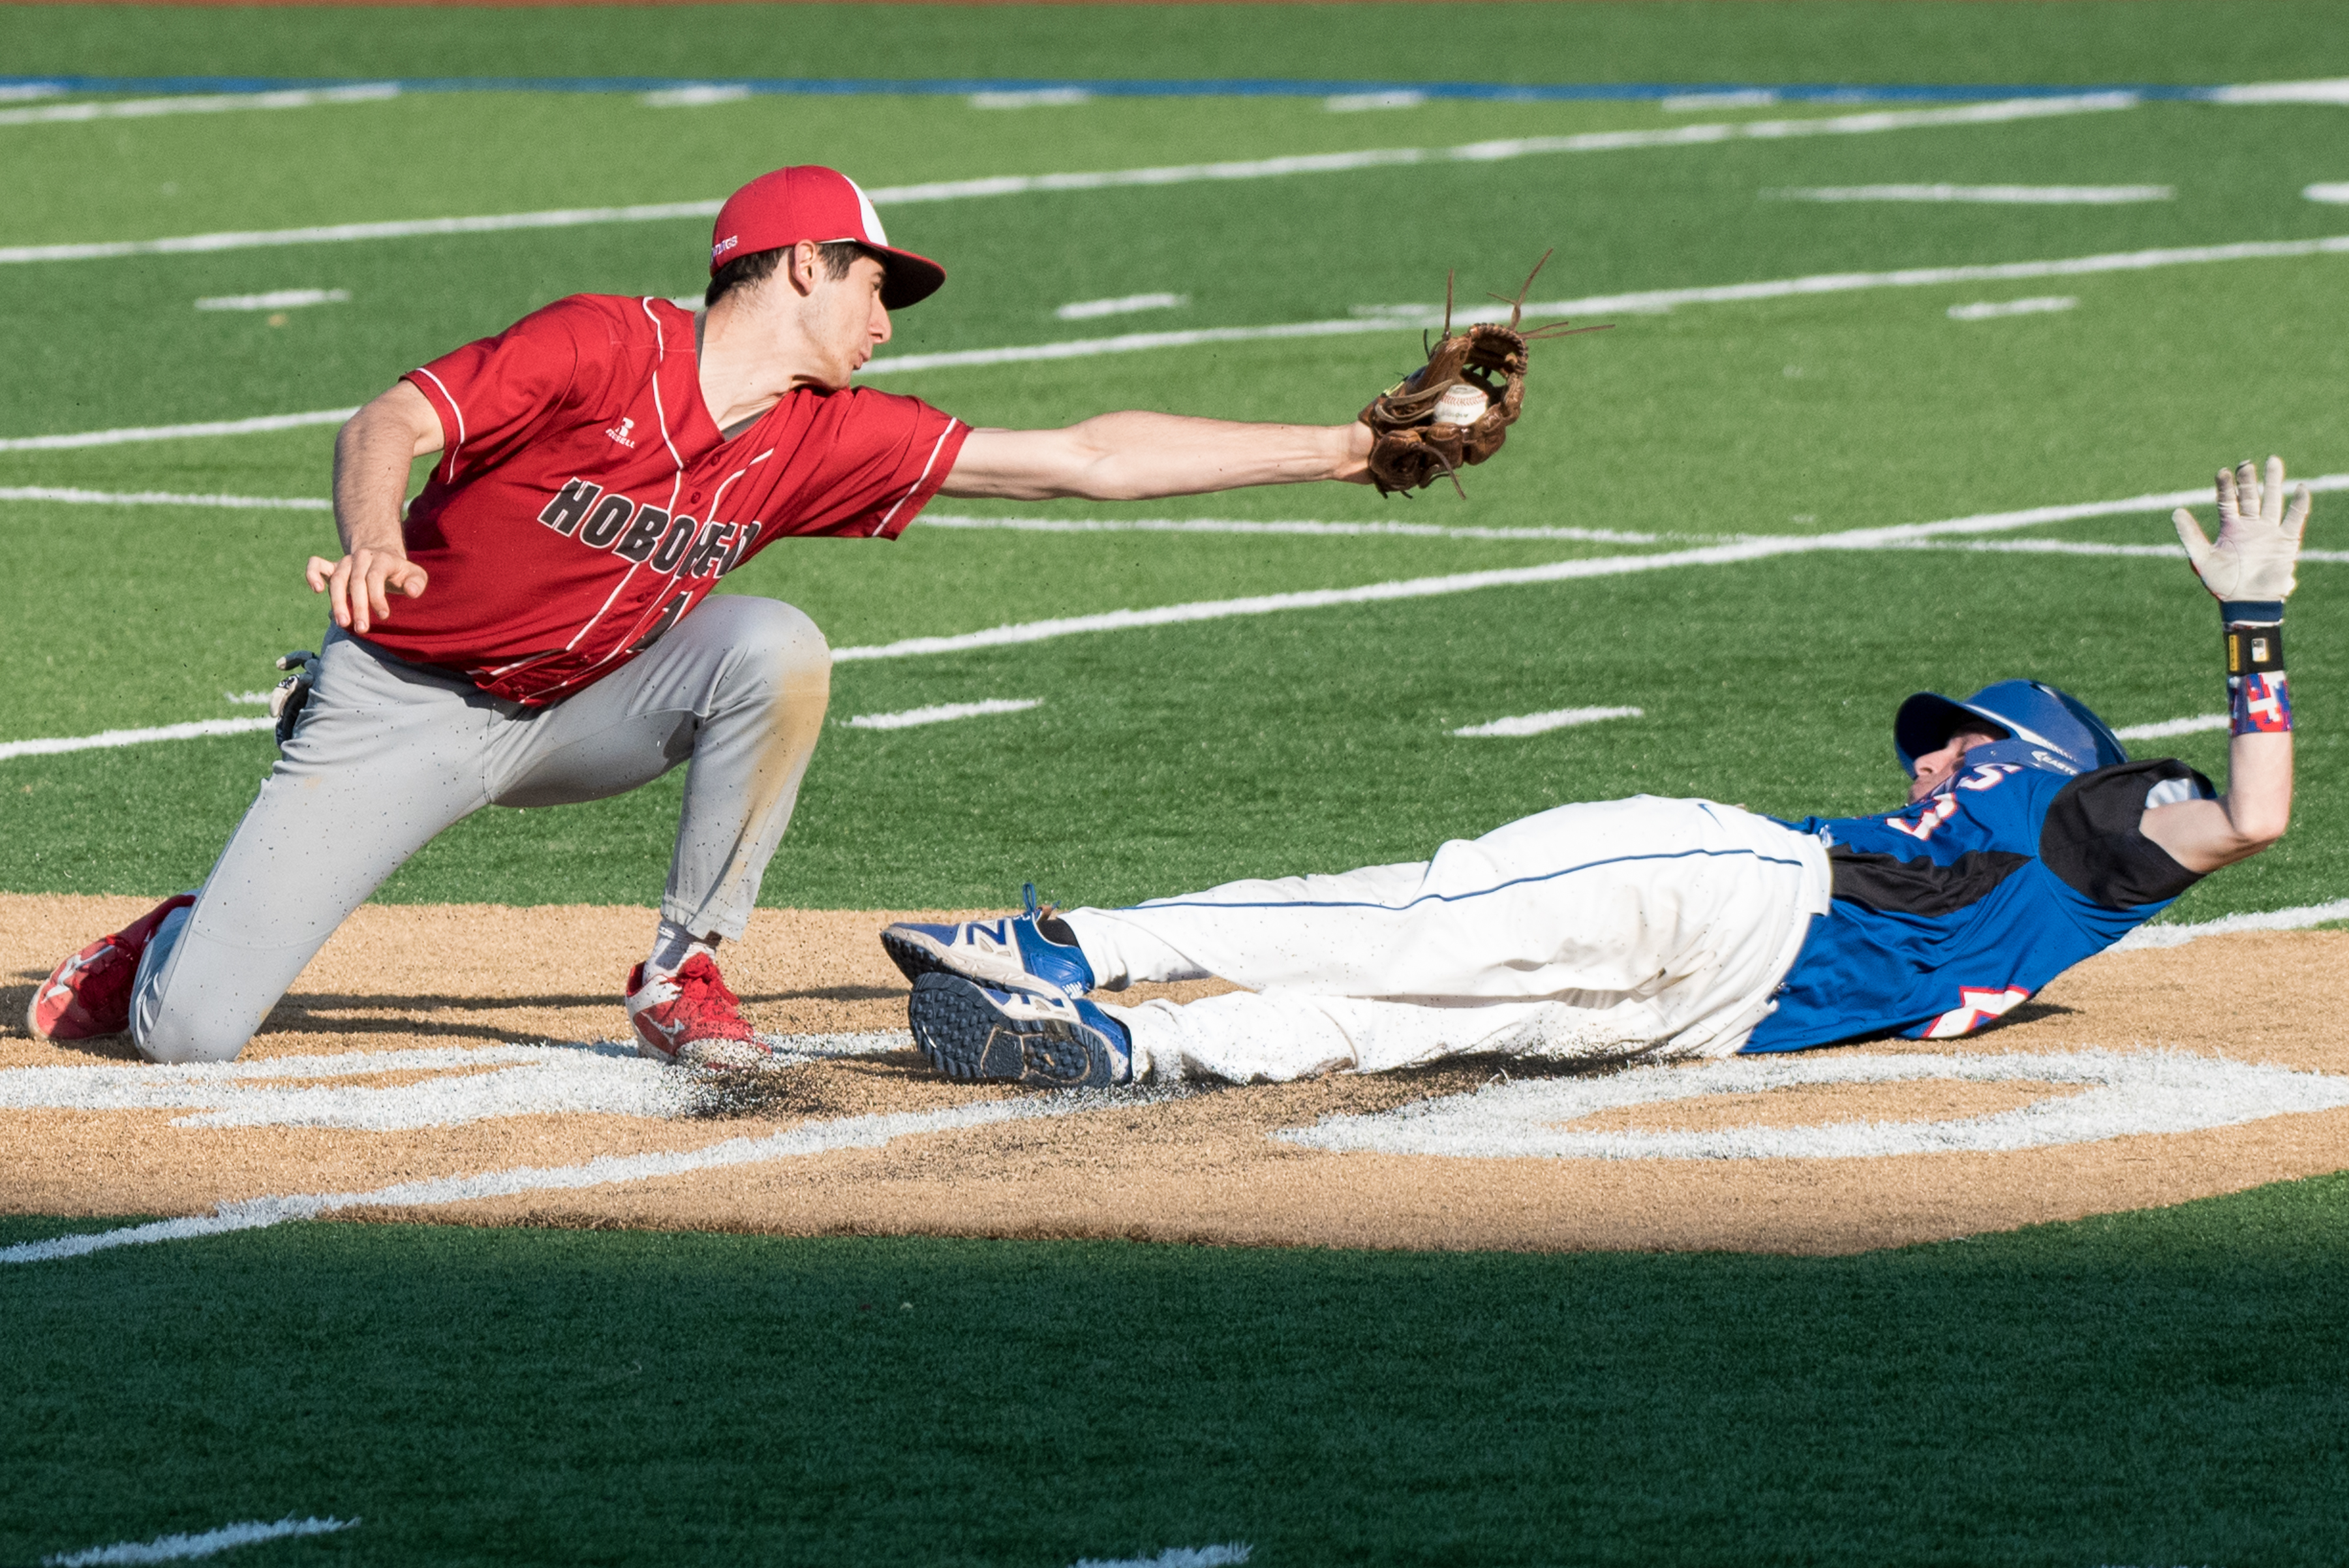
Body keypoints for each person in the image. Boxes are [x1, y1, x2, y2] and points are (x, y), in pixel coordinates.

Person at [26, 164, 1381, 1068]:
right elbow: (389, 416)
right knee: (194, 1034)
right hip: (401, 708)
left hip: (586, 711)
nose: (887, 322)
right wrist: (373, 535)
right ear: (798, 267)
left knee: (773, 642)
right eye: (873, 285)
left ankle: (682, 971)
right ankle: (180, 932)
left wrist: (1339, 449)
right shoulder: (602, 342)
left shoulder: (823, 434)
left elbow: (1083, 457)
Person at [885, 459, 2309, 1086]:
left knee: (1428, 920)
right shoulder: (2067, 897)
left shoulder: (2086, 822)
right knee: (1408, 1022)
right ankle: (1134, 1054)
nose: (1935, 750)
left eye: (1963, 733)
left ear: (2042, 750)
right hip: (1731, 1019)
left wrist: (2253, 623)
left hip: (1738, 892)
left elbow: (2255, 813)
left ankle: (1072, 954)